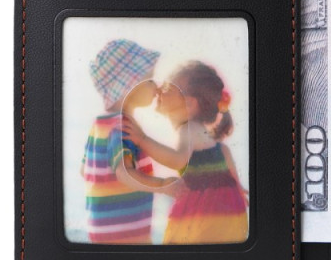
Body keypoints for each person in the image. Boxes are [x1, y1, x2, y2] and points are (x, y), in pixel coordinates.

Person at [123, 61, 248, 245]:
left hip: (204, 213)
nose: (159, 90)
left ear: (189, 104)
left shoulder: (187, 130)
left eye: (168, 88)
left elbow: (178, 160)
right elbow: (224, 151)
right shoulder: (202, 133)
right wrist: (237, 188)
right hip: (230, 212)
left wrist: (142, 139)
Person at [82, 39, 175, 244]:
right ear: (127, 87)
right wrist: (163, 186)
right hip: (126, 233)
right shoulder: (122, 128)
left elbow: (85, 170)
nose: (156, 86)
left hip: (101, 229)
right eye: (149, 79)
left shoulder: (99, 125)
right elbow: (124, 173)